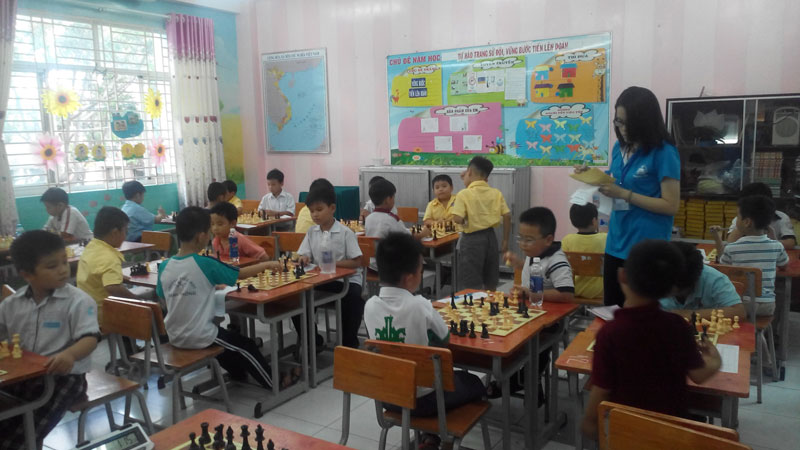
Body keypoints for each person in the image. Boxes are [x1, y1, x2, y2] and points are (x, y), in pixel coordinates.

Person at [581, 240, 721, 440]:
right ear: (672, 289)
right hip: (670, 431)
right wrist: (715, 360)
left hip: (626, 431)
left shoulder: (610, 333)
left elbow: (602, 389)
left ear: (622, 275)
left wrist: (589, 421)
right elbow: (698, 375)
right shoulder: (678, 326)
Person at [365, 232, 485, 448]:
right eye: (421, 270)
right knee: (474, 383)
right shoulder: (420, 305)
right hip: (425, 402)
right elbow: (445, 338)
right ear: (410, 278)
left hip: (388, 397)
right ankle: (444, 438)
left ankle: (430, 438)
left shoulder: (370, 305)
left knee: (432, 379)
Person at [156, 207, 291, 389]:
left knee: (229, 342)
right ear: (201, 236)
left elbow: (164, 300)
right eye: (209, 231)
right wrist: (267, 264)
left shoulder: (164, 267)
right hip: (199, 335)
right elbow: (240, 274)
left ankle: (238, 374)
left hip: (174, 335)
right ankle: (274, 383)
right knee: (247, 346)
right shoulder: (205, 263)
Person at [574, 86, 680, 307]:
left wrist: (625, 194)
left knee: (642, 315)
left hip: (647, 248)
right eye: (618, 122)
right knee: (613, 310)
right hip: (616, 241)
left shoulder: (664, 152)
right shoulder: (619, 148)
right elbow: (617, 182)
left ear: (644, 122)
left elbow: (671, 205)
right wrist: (593, 176)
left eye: (627, 123)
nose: (621, 129)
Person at [0, 231, 99, 448]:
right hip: (25, 375)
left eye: (64, 261)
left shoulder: (78, 301)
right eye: (52, 266)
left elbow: (90, 338)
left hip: (64, 377)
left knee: (25, 429)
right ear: (27, 274)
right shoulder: (12, 304)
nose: (63, 269)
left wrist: (70, 354)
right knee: (8, 415)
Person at [297, 180, 363, 348]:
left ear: (332, 208)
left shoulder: (345, 232)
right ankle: (312, 341)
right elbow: (303, 253)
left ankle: (348, 345)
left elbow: (357, 262)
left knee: (353, 300)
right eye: (312, 211)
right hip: (322, 279)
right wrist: (303, 258)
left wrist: (334, 264)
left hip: (346, 281)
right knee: (296, 300)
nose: (315, 215)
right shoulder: (312, 232)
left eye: (319, 210)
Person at [713, 195, 789, 316]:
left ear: (747, 222)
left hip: (740, 304)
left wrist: (717, 237)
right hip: (768, 305)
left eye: (738, 216)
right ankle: (764, 329)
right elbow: (784, 265)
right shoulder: (776, 246)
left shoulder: (732, 248)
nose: (736, 220)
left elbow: (724, 268)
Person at [451, 156, 511, 291]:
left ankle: (473, 303)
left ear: (469, 172)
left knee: (470, 280)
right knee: (491, 278)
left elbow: (457, 218)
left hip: (471, 240)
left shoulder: (463, 194)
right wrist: (505, 241)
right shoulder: (496, 193)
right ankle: (491, 302)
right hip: (491, 238)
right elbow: (507, 216)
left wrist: (467, 219)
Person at [77, 206, 140, 324]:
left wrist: (117, 276)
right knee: (150, 310)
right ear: (115, 233)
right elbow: (112, 287)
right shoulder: (109, 256)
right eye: (125, 231)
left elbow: (96, 273)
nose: (126, 235)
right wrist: (137, 300)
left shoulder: (91, 247)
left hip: (87, 312)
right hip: (105, 315)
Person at [659, 241, 746, 320]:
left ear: (695, 281)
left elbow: (739, 312)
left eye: (676, 290)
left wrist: (689, 314)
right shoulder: (658, 274)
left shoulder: (714, 279)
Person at [365, 179, 429, 269]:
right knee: (419, 255)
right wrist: (423, 233)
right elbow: (409, 238)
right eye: (393, 197)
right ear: (388, 199)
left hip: (372, 265)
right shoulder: (391, 219)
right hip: (392, 265)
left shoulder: (369, 218)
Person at [724, 182, 796, 250]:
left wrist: (770, 243)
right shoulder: (741, 218)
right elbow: (730, 241)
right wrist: (742, 226)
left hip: (771, 254)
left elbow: (790, 243)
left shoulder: (781, 217)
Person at [561, 202, 607, 299]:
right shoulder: (606, 238)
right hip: (600, 292)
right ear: (594, 220)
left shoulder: (567, 240)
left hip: (574, 290)